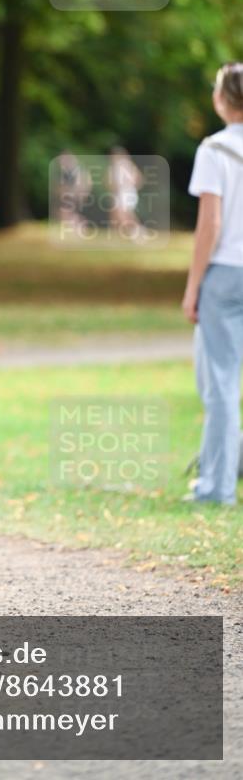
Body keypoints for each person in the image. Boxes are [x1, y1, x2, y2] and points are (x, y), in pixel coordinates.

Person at [182, 62, 243, 506]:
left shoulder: (214, 149)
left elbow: (211, 225)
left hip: (225, 272)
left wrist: (193, 287)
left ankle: (216, 487)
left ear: (221, 99)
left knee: (219, 382)